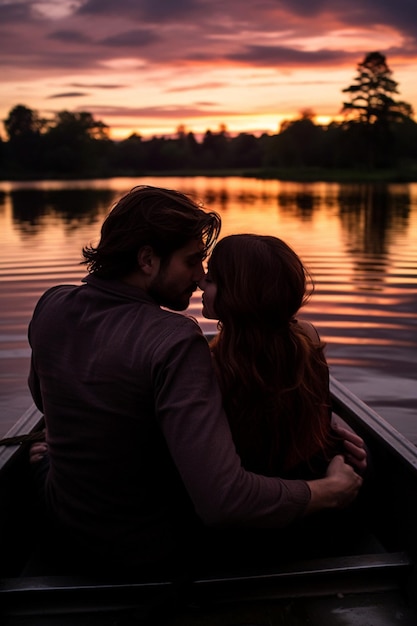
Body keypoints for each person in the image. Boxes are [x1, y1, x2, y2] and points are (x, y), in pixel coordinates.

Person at [27, 185, 365, 579]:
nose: (200, 276)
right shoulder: (174, 337)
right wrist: (328, 491)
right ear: (148, 260)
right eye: (191, 262)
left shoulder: (51, 303)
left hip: (61, 527)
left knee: (42, 461)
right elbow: (223, 500)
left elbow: (42, 399)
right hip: (148, 554)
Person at [199, 233, 368, 560]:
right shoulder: (306, 338)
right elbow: (317, 412)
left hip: (255, 525)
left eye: (212, 278)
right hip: (318, 521)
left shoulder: (209, 366)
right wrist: (334, 423)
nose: (201, 283)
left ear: (238, 294)